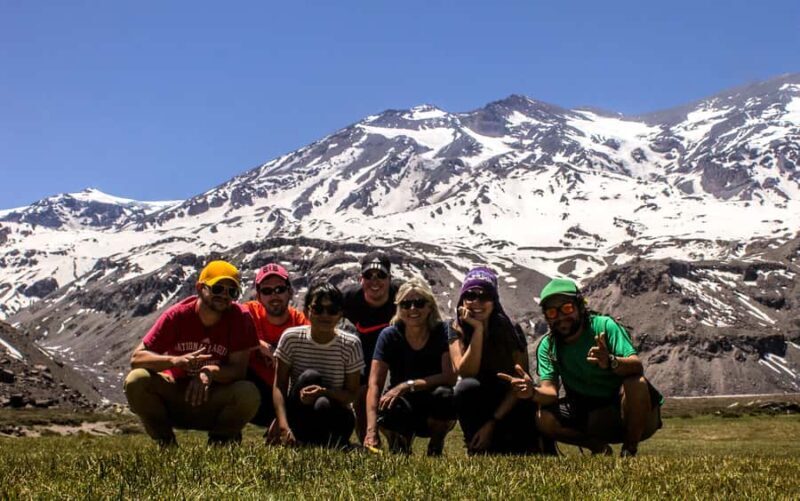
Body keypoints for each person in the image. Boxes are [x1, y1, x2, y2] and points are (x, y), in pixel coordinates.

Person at [520, 278, 663, 457]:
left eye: (567, 308)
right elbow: (549, 391)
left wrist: (611, 361)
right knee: (543, 418)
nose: (560, 317)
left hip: (630, 413)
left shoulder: (605, 326)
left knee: (636, 383)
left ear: (580, 307)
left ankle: (629, 449)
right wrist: (532, 392)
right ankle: (598, 448)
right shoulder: (547, 346)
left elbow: (636, 367)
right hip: (588, 414)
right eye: (551, 312)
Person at [123, 260, 260, 446]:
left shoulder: (240, 318)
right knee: (136, 380)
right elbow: (137, 359)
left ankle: (221, 441)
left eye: (232, 292)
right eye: (218, 288)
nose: (225, 296)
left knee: (248, 393)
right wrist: (175, 360)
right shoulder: (177, 316)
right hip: (175, 395)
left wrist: (210, 372)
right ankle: (165, 443)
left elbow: (238, 370)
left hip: (212, 399)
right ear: (200, 287)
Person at [448, 267, 548, 455]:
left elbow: (521, 381)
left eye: (484, 296)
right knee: (465, 388)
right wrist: (477, 330)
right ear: (462, 301)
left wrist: (492, 423)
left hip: (510, 401)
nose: (476, 302)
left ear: (494, 302)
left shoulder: (510, 330)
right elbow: (465, 372)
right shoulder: (455, 328)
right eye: (470, 295)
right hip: (480, 399)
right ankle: (475, 445)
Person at [364, 277, 457, 456]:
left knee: (445, 396)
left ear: (430, 306)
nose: (413, 309)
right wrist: (371, 430)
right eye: (406, 304)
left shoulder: (442, 331)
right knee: (390, 404)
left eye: (419, 303)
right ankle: (399, 445)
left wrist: (407, 385)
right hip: (403, 406)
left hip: (433, 402)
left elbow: (450, 377)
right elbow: (374, 384)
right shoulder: (389, 335)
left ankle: (435, 446)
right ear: (399, 308)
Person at [272, 282, 364, 448]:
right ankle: (324, 444)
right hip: (299, 412)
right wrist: (282, 424)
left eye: (332, 310)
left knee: (323, 403)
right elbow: (279, 386)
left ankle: (315, 443)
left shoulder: (350, 344)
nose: (325, 315)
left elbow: (351, 394)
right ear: (307, 311)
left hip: (336, 414)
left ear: (340, 315)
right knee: (310, 377)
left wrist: (324, 392)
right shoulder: (291, 338)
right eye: (318, 309)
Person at [243, 263, 309, 435]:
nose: (274, 296)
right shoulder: (248, 312)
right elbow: (226, 331)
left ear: (290, 291)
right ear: (258, 295)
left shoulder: (300, 321)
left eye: (280, 289)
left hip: (288, 396)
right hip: (255, 392)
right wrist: (261, 345)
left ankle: (286, 423)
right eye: (266, 291)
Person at [342, 251, 399, 441]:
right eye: (369, 276)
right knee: (361, 396)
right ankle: (366, 442)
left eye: (381, 275)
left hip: (396, 345)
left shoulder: (401, 296)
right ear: (361, 279)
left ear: (389, 278)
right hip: (364, 345)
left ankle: (398, 439)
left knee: (394, 396)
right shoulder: (349, 297)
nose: (375, 281)